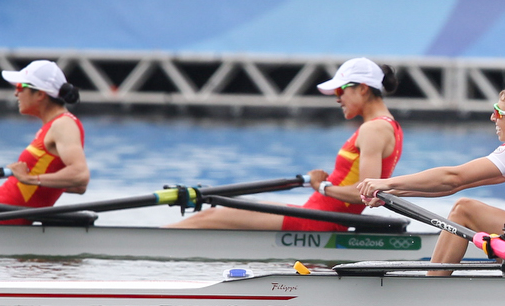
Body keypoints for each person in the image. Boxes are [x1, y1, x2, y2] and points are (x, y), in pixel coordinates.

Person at [356, 84, 505, 278]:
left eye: (499, 112)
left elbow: (453, 177)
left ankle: (432, 285)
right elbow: (456, 185)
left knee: (465, 209)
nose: (493, 117)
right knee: (463, 206)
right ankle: (434, 279)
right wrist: (391, 194)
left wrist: (385, 183)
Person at [168, 57, 401, 231]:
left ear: (362, 87)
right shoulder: (390, 127)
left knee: (205, 218)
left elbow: (366, 194)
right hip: (318, 214)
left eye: (340, 89)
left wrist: (322, 187)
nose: (337, 97)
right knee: (217, 215)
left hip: (318, 220)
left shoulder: (374, 129)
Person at [0, 60, 90, 223]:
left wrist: (30, 179)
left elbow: (80, 176)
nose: (15, 93)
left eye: (20, 87)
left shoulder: (63, 124)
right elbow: (77, 187)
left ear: (40, 94)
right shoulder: (54, 125)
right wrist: (37, 181)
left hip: (6, 214)